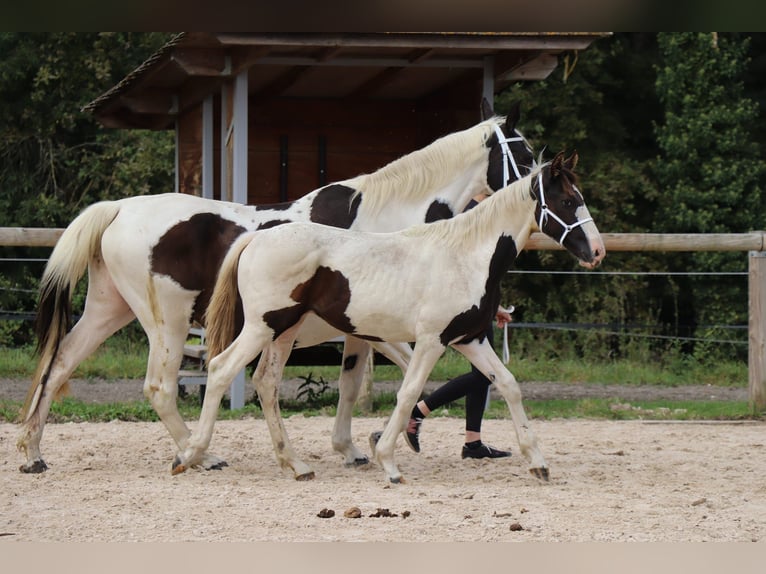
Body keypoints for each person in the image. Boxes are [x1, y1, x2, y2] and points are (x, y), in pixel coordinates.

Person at [370, 192, 515, 459]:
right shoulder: (472, 210)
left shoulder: (482, 207)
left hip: (478, 301)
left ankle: (473, 443)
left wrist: (495, 306)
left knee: (483, 373)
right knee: (485, 373)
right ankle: (419, 412)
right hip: (462, 303)